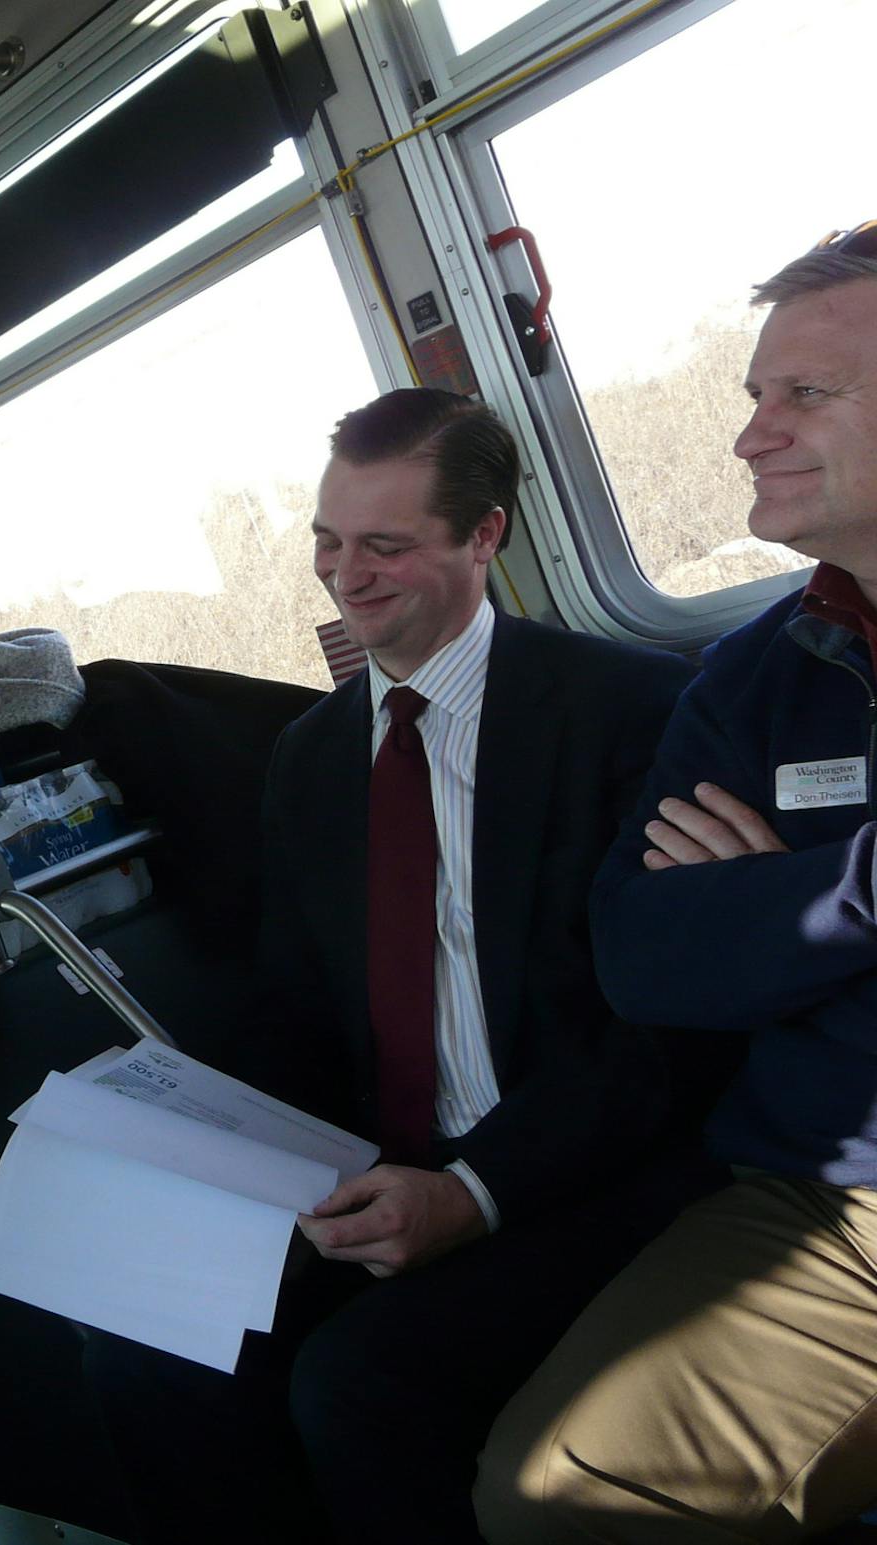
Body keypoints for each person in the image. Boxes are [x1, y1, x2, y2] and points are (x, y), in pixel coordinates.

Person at [83, 388, 717, 1544]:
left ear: (485, 536)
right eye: (329, 541)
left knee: (360, 1385)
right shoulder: (313, 759)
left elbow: (662, 1034)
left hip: (585, 1171)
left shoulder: (631, 711)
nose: (345, 574)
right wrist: (187, 1145)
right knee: (144, 1334)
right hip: (386, 1168)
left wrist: (474, 1195)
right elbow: (299, 1011)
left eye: (386, 545)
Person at [476, 227, 877, 1543]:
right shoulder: (759, 677)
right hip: (833, 1201)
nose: (752, 433)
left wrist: (792, 901)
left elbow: (734, 938)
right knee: (554, 1494)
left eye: (804, 394)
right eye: (755, 395)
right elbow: (646, 954)